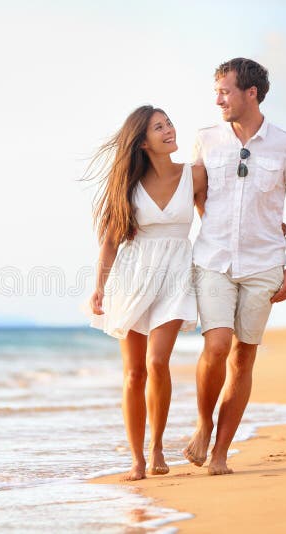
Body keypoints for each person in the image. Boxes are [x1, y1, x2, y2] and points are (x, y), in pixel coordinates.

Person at [182, 58, 286, 475]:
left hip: (264, 264)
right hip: (213, 259)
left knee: (243, 357)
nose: (218, 99)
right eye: (217, 91)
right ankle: (204, 424)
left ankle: (220, 453)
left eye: (225, 91)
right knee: (217, 345)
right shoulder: (206, 139)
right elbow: (196, 194)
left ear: (251, 93)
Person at [85, 105, 207, 481]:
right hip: (133, 277)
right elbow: (109, 241)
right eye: (159, 127)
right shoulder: (127, 186)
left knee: (157, 362)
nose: (169, 130)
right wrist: (100, 285)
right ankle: (137, 459)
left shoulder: (195, 175)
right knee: (135, 372)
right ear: (142, 142)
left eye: (169, 122)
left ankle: (157, 447)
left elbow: (218, 222)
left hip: (175, 275)